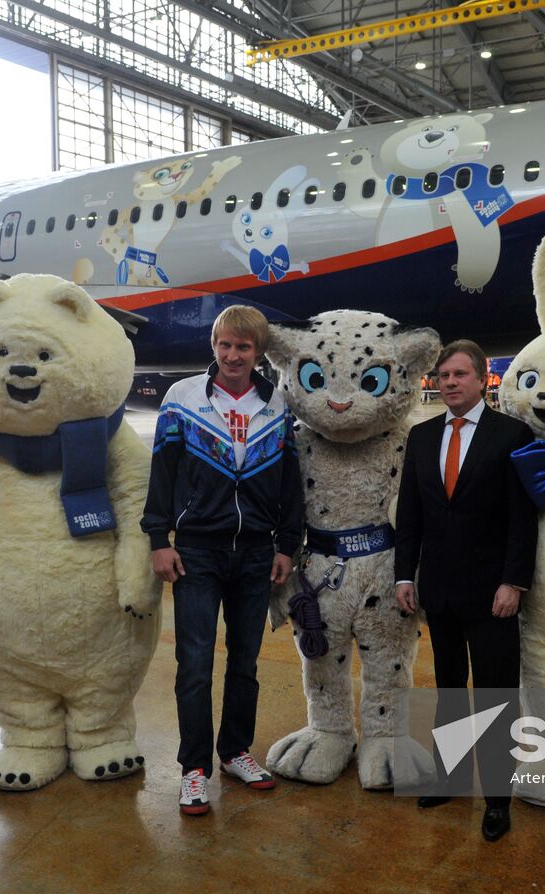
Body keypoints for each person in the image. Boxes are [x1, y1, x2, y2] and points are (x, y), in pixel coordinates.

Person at [141, 305, 304, 816]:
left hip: (256, 552)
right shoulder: (182, 399)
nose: (233, 355)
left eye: (244, 347)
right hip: (197, 552)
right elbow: (162, 473)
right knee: (193, 664)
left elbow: (289, 485)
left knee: (245, 662)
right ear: (214, 345)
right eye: (226, 345)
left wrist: (286, 545)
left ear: (257, 353)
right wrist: (158, 538)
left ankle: (235, 751)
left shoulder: (277, 405)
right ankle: (193, 768)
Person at [393, 340, 538, 842]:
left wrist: (513, 580)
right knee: (450, 692)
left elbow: (523, 519)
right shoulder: (423, 435)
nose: (449, 382)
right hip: (440, 588)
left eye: (459, 374)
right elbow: (410, 513)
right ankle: (449, 777)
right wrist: (405, 575)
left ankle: (498, 798)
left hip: (493, 591)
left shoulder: (512, 435)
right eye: (443, 375)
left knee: (496, 696)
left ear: (482, 379)